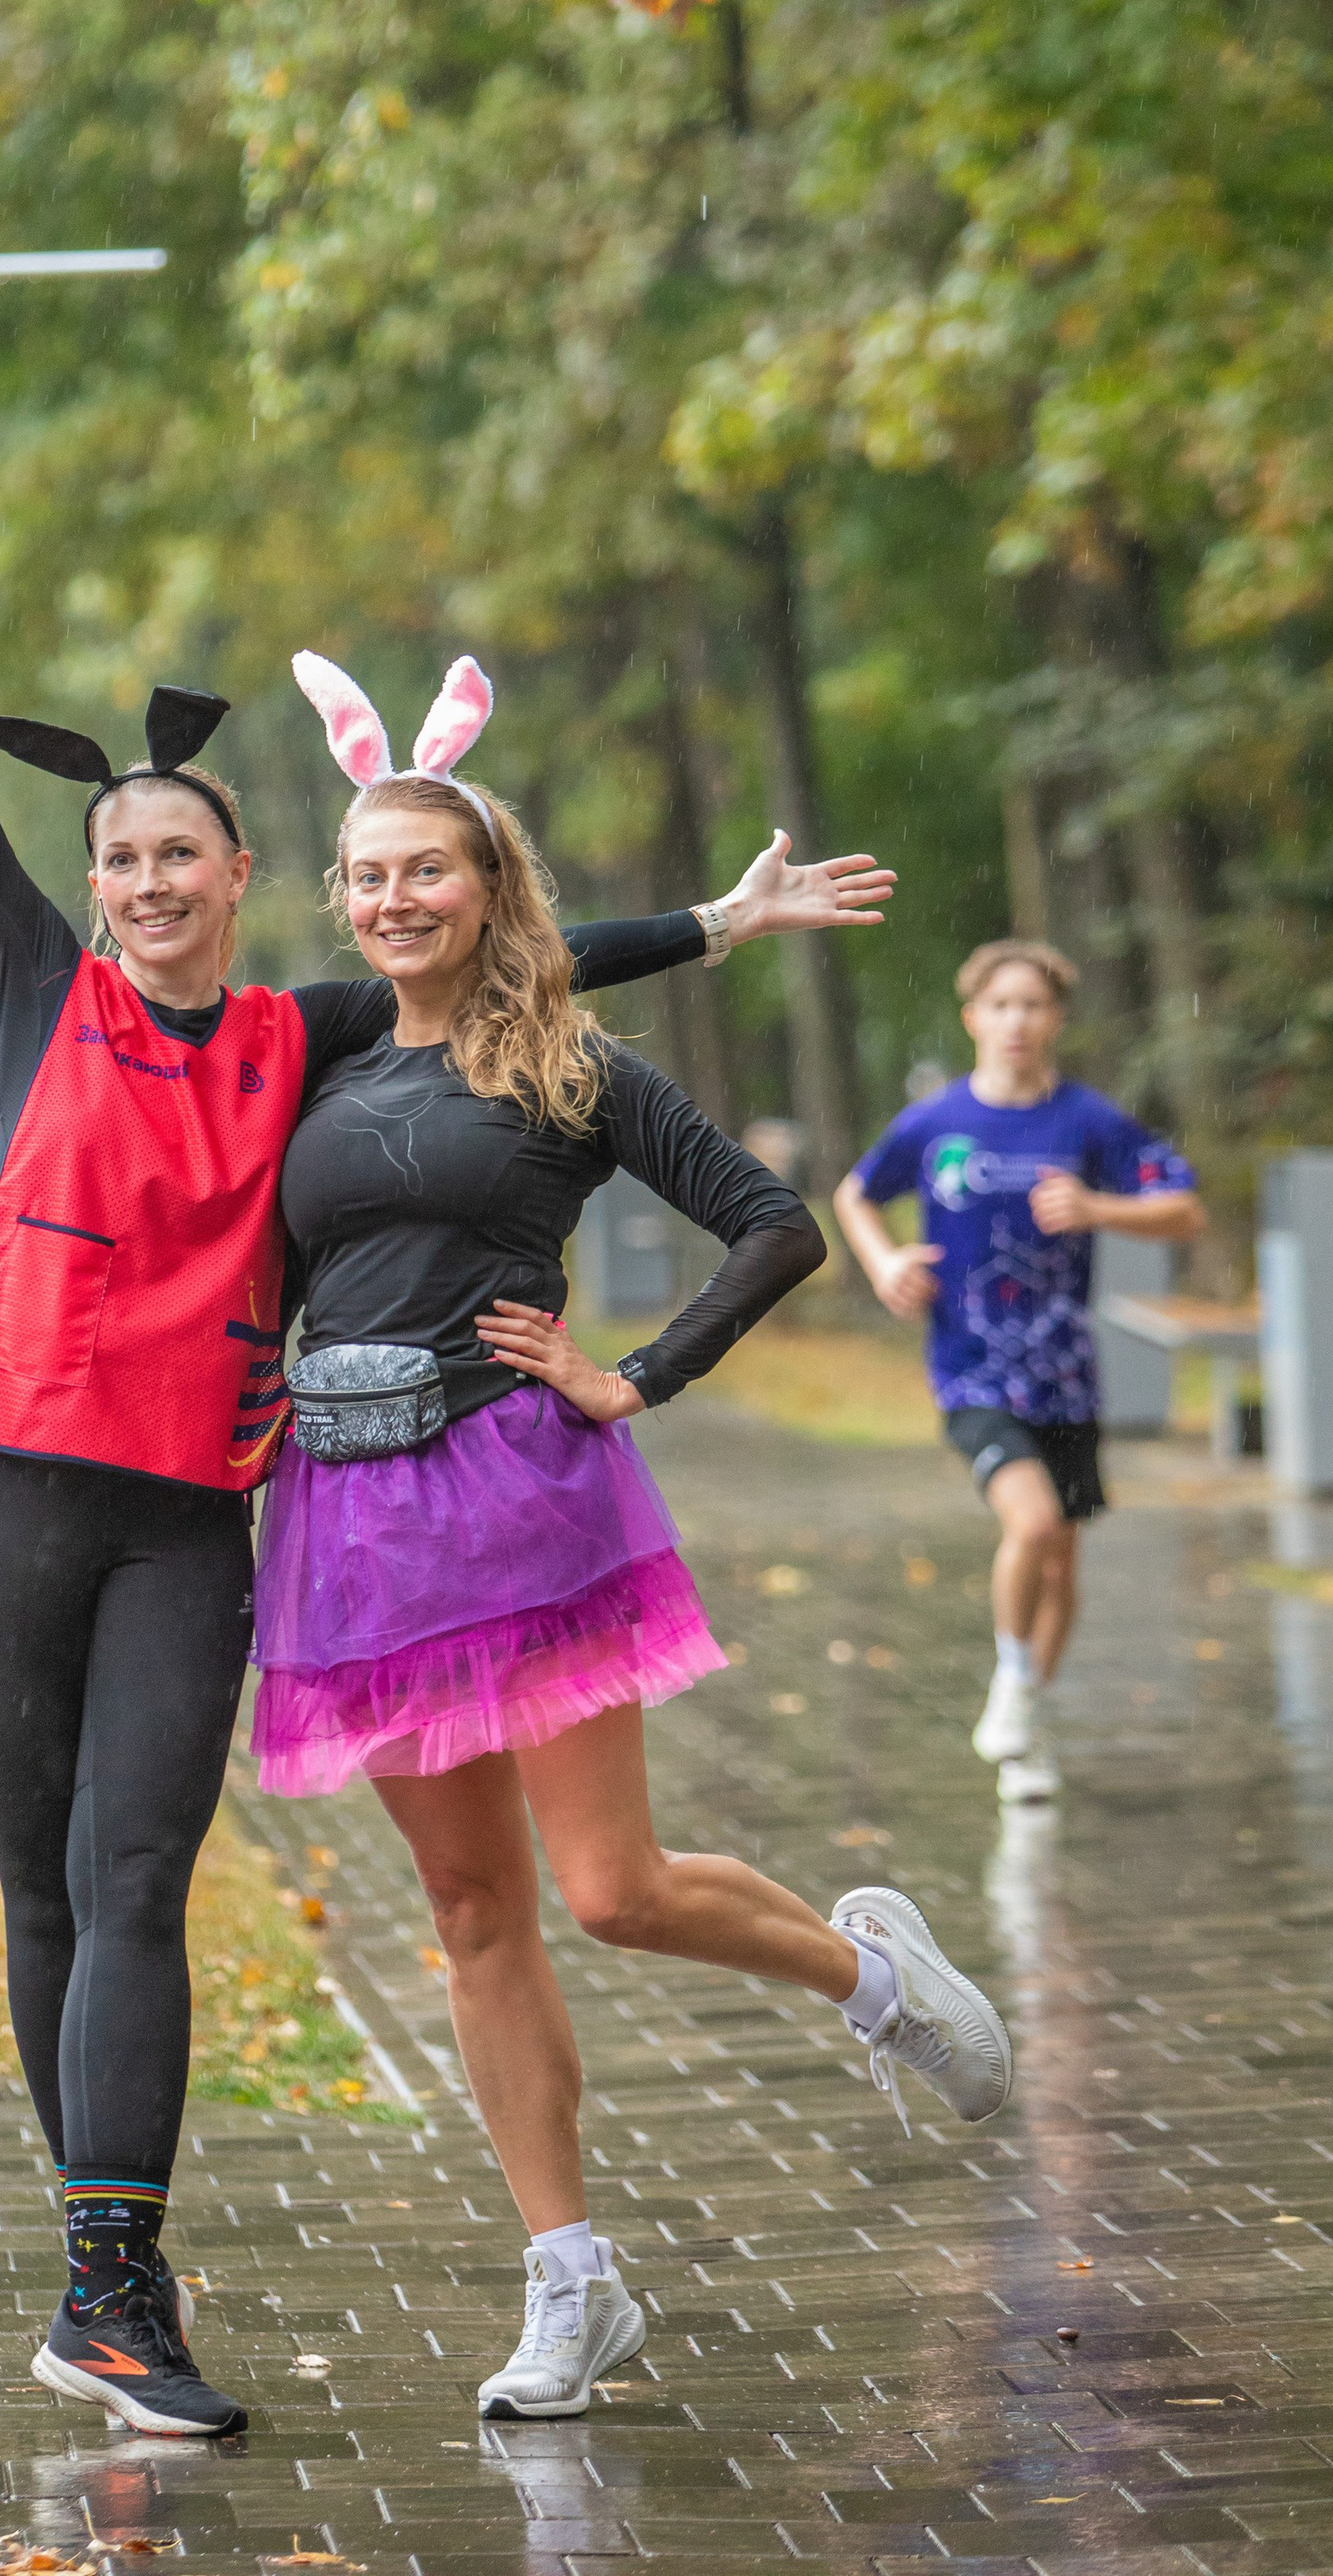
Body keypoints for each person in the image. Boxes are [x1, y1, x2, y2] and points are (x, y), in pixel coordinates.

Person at [0, 405, 898, 2441]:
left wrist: (713, 925)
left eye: (180, 850)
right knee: (48, 1883)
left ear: (246, 878)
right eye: (118, 855)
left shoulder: (297, 1031)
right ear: (92, 884)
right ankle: (109, 2282)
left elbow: (496, 945)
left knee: (139, 1870)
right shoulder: (36, 977)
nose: (146, 877)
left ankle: (117, 2289)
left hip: (182, 1515)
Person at [252, 652, 1015, 2425]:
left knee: (606, 1893)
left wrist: (632, 1376)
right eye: (365, 875)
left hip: (519, 1497)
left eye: (425, 869)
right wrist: (702, 920)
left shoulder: (568, 1065)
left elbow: (772, 1224)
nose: (390, 900)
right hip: (349, 1524)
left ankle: (875, 1983)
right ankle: (569, 2284)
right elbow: (179, 1042)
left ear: (491, 881)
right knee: (466, 1908)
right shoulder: (319, 1046)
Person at [832, 938, 1206, 1806]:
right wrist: (885, 1264)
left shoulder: (1087, 1123)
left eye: (1032, 1006)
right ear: (972, 1019)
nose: (1016, 1022)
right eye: (999, 1005)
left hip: (1065, 1375)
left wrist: (1099, 1206)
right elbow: (855, 1192)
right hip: (969, 1368)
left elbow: (1183, 1210)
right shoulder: (935, 1122)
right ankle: (1009, 1686)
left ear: (1056, 1020)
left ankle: (1023, 1729)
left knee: (1062, 1565)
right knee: (1031, 1525)